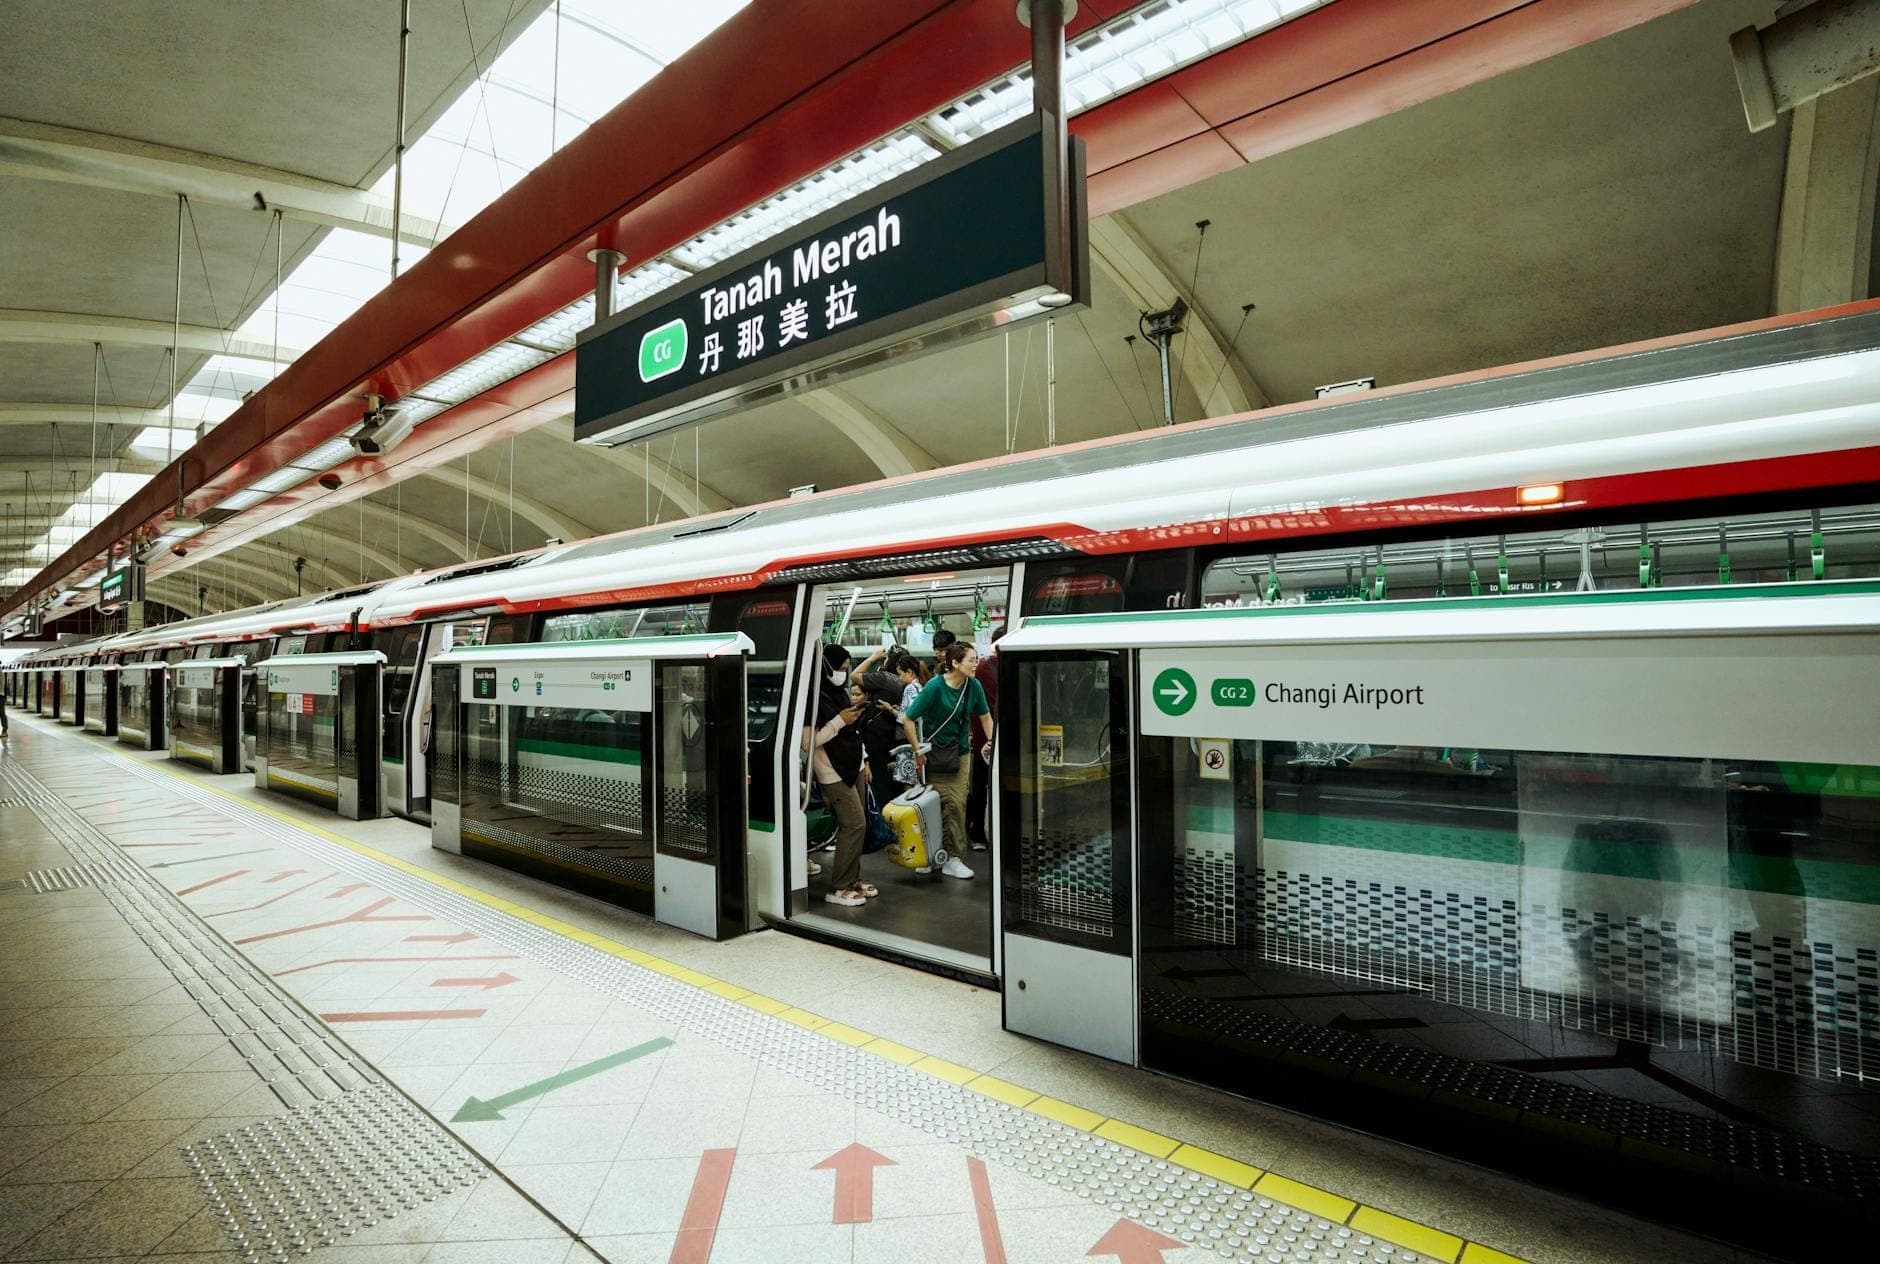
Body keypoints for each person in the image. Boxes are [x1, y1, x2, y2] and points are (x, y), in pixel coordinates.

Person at [900, 642, 993, 880]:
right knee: (933, 806)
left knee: (956, 804)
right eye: (971, 660)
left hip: (960, 754)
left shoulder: (974, 686)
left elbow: (985, 716)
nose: (976, 664)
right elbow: (908, 719)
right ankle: (932, 855)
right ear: (955, 663)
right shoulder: (934, 687)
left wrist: (992, 741)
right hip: (934, 755)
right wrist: (917, 750)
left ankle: (953, 858)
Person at [807, 643, 874, 907]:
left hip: (853, 764)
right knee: (854, 824)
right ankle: (838, 886)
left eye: (846, 668)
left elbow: (852, 733)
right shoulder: (810, 698)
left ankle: (853, 879)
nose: (843, 674)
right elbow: (809, 742)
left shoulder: (838, 693)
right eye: (840, 668)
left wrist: (864, 759)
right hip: (831, 770)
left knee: (858, 825)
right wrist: (840, 721)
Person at [965, 627, 1002, 850]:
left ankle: (981, 831)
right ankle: (977, 831)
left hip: (991, 736)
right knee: (981, 787)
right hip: (984, 739)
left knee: (986, 786)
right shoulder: (984, 669)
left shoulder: (987, 668)